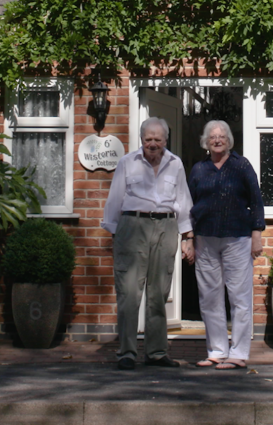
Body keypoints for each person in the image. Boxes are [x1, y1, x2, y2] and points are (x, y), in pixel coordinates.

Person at [101, 117, 195, 371]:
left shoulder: (175, 164)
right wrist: (114, 234)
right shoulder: (127, 163)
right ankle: (127, 353)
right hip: (133, 226)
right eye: (148, 139)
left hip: (166, 226)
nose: (152, 144)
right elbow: (115, 199)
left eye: (158, 140)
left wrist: (188, 236)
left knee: (159, 293)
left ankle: (155, 352)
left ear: (166, 140)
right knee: (129, 292)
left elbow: (184, 200)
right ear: (142, 140)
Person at [187, 120, 265, 370]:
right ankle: (217, 351)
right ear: (206, 141)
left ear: (229, 139)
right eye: (213, 137)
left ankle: (239, 353)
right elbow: (188, 204)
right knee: (209, 298)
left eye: (222, 136)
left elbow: (256, 199)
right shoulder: (199, 169)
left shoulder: (241, 166)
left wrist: (257, 234)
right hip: (205, 239)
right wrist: (187, 238)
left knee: (239, 297)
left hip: (238, 238)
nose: (217, 140)